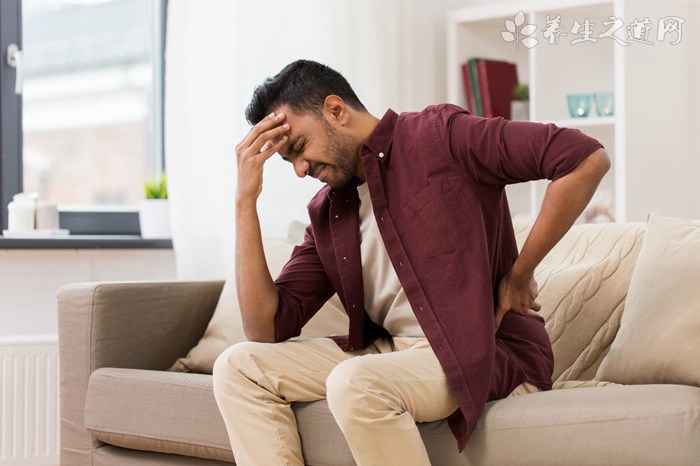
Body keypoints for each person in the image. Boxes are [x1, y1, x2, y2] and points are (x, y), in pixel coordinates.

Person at [212, 59, 610, 466]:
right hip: (394, 356)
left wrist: (519, 274)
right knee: (239, 367)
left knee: (355, 383)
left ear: (336, 110)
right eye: (288, 162)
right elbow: (264, 328)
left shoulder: (442, 136)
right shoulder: (330, 211)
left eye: (297, 148)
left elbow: (582, 157)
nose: (299, 170)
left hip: (483, 349)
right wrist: (245, 200)